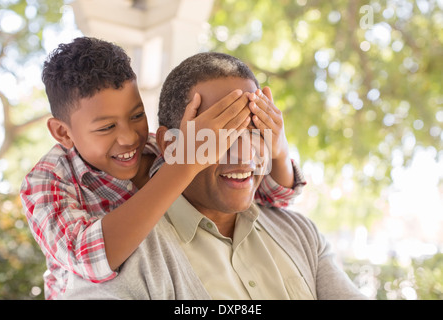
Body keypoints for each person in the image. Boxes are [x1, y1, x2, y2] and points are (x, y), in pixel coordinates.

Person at [61, 52, 366, 300]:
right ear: (171, 145)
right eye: (221, 136)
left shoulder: (302, 235)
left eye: (256, 131)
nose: (245, 154)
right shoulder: (124, 260)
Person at [19, 37, 306, 299]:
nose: (130, 137)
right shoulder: (46, 182)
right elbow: (90, 261)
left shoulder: (162, 148)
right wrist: (185, 163)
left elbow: (273, 197)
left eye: (137, 115)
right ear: (63, 133)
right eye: (107, 127)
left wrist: (277, 150)